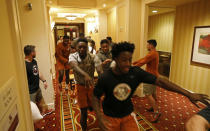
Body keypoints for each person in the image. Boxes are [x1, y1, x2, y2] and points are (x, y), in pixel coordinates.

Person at [92, 42, 209, 131]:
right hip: (110, 117)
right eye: (124, 60)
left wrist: (188, 94)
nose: (128, 63)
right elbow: (95, 97)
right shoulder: (105, 77)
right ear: (115, 59)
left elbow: (161, 82)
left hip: (127, 115)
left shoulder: (135, 72)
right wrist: (99, 116)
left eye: (130, 59)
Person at [69, 38, 103, 131]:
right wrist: (85, 75)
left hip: (91, 87)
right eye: (80, 47)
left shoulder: (93, 56)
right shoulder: (73, 56)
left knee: (96, 108)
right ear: (76, 47)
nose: (82, 49)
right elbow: (74, 66)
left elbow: (99, 69)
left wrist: (101, 76)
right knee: (83, 112)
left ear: (87, 48)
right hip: (80, 87)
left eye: (84, 47)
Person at [133, 39, 160, 122]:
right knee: (153, 92)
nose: (146, 46)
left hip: (149, 77)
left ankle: (156, 111)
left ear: (151, 45)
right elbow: (143, 59)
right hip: (155, 75)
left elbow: (143, 62)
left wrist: (132, 67)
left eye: (147, 44)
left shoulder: (152, 54)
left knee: (148, 94)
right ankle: (154, 107)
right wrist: (135, 62)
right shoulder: (154, 53)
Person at [24, 45, 48, 114]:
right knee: (33, 109)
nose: (36, 52)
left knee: (41, 104)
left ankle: (43, 115)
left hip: (37, 88)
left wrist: (44, 81)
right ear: (31, 53)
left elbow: (38, 72)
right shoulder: (24, 64)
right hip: (31, 91)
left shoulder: (34, 61)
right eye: (34, 51)